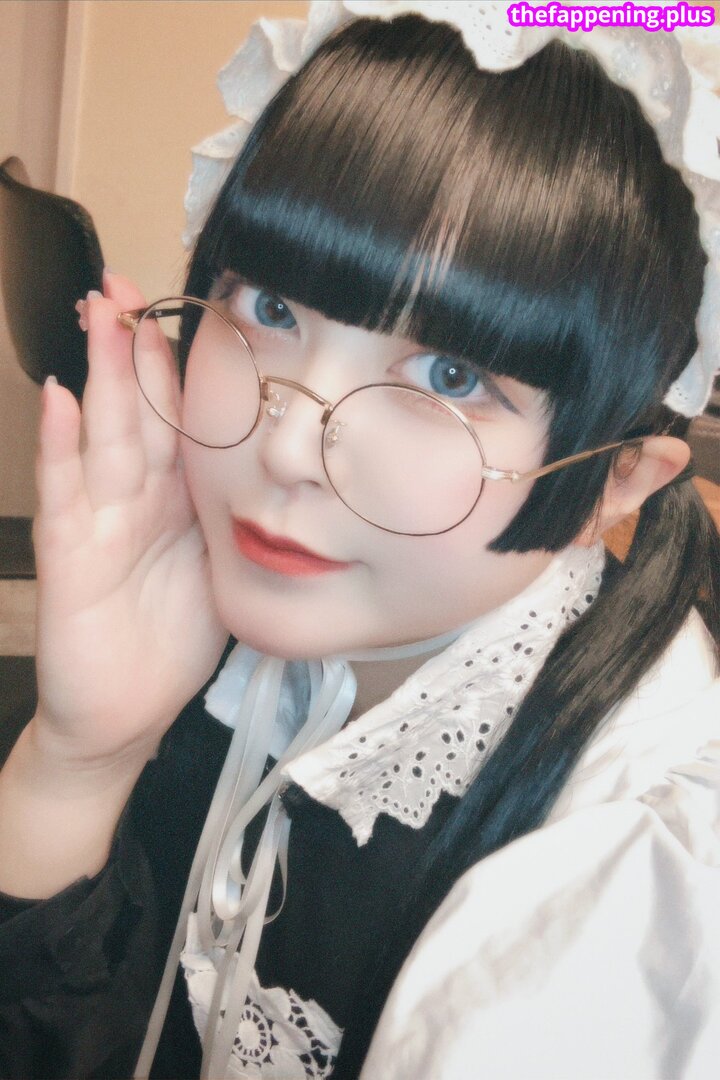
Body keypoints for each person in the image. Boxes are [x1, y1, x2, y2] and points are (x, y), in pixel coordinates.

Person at [1, 3, 719, 1078]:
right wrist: (77, 762)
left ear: (615, 483)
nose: (289, 445)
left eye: (451, 375)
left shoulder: (612, 901)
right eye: (269, 306)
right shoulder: (239, 617)